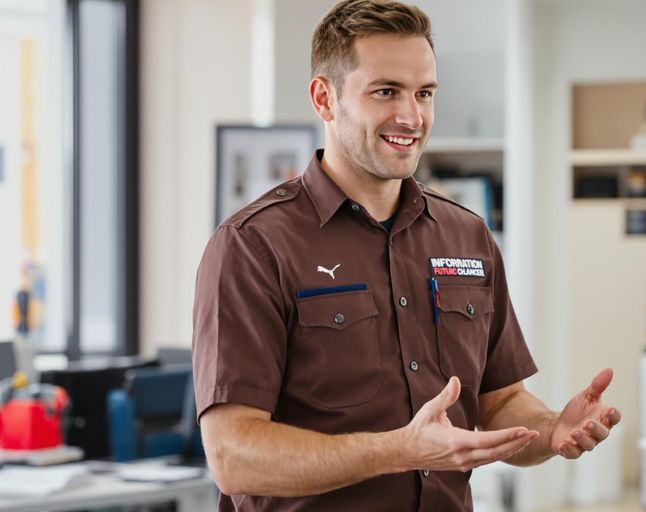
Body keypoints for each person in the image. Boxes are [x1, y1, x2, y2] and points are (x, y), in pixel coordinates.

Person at [191, 1, 621, 510]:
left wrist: (552, 429)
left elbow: (500, 401)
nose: (412, 116)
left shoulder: (468, 236)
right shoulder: (252, 245)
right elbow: (234, 455)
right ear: (324, 99)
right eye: (385, 91)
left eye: (424, 93)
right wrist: (398, 450)